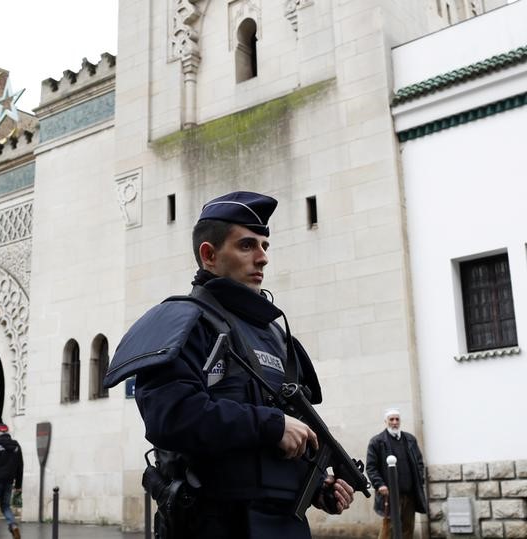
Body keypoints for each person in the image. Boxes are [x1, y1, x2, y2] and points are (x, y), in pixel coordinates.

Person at [103, 191, 354, 538]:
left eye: (265, 246)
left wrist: (318, 488)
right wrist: (270, 425)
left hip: (286, 526)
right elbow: (171, 417)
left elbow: (289, 437)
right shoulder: (184, 323)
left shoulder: (277, 337)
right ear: (209, 254)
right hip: (215, 523)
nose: (263, 258)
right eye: (247, 245)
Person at [366, 408, 427, 539]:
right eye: (391, 419)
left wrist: (419, 479)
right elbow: (371, 467)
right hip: (390, 494)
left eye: (397, 419)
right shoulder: (377, 442)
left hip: (409, 494)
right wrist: (380, 484)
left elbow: (419, 463)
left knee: (408, 528)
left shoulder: (410, 440)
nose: (394, 422)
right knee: (389, 529)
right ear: (386, 421)